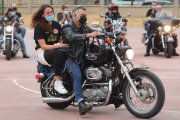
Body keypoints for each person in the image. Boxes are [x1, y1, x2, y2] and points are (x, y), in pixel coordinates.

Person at [62, 6, 101, 115]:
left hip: (83, 59)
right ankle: (81, 103)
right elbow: (71, 36)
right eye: (82, 16)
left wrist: (105, 34)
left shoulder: (84, 26)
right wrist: (87, 35)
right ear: (74, 16)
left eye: (85, 15)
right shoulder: (67, 27)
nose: (84, 18)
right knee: (78, 76)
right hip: (71, 59)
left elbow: (94, 32)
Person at [31, 4, 70, 94]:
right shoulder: (39, 27)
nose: (50, 14)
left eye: (51, 12)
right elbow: (43, 46)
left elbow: (64, 36)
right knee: (58, 53)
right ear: (43, 15)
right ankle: (57, 82)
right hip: (42, 52)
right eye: (48, 13)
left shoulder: (56, 24)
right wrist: (58, 45)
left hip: (55, 49)